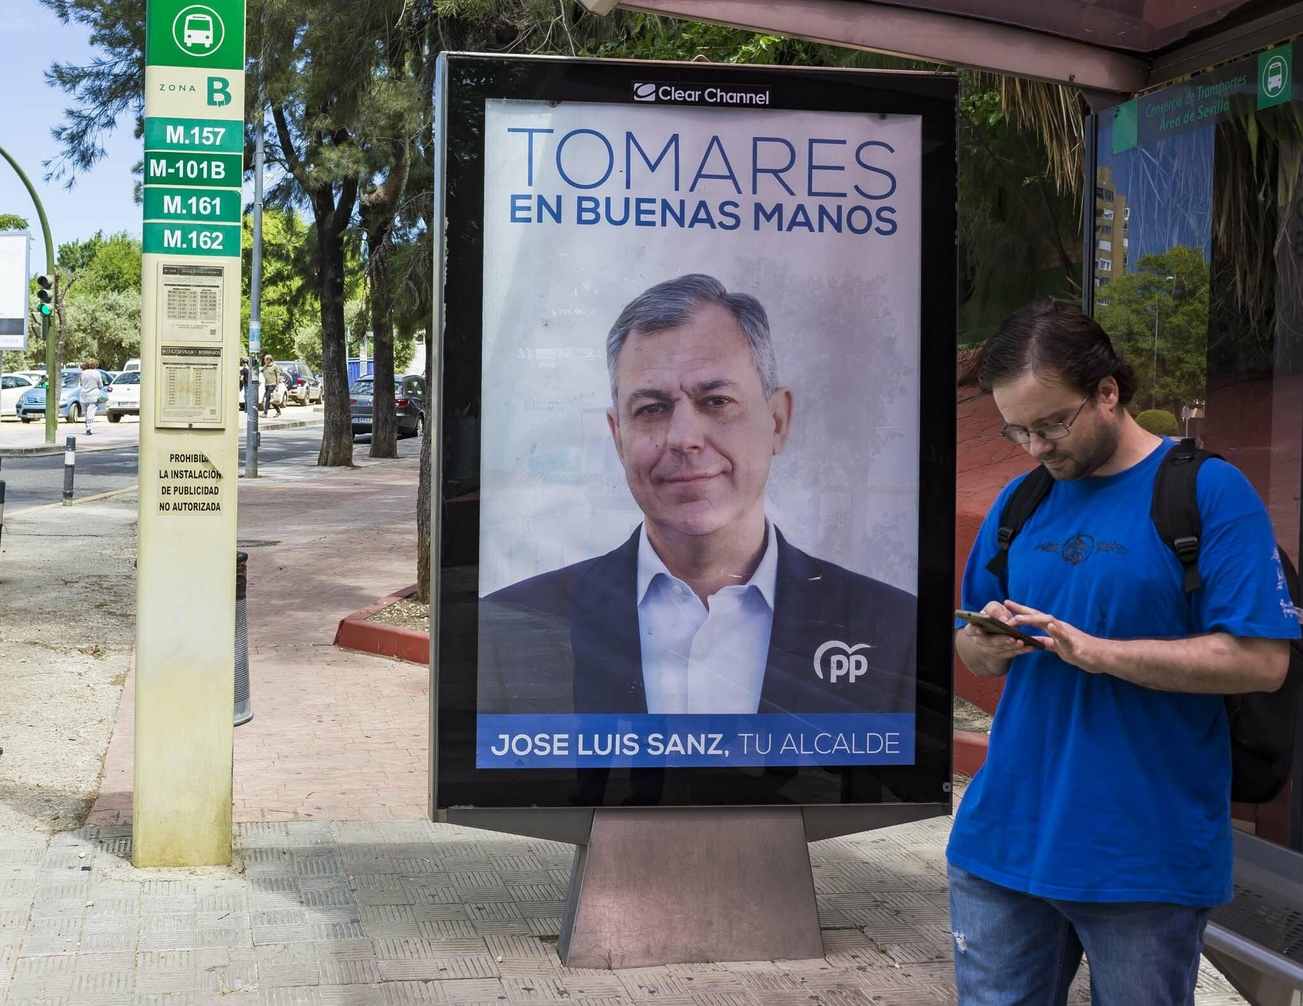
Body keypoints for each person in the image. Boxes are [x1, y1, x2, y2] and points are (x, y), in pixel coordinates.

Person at [949, 302, 1295, 1005]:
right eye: (1017, 429)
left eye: (1051, 423)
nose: (1035, 445)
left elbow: (1262, 661)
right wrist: (985, 641)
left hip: (1143, 858)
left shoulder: (1206, 492)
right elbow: (973, 655)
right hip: (1002, 844)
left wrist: (1101, 652)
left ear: (1108, 391)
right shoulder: (1021, 500)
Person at [478, 273, 916, 716]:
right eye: (652, 409)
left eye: (717, 400)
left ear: (778, 420)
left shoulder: (893, 629)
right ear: (618, 438)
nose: (684, 438)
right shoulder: (509, 627)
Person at [78, 358, 103, 435]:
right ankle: (89, 428)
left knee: (86, 411)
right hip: (94, 395)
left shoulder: (83, 373)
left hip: (84, 395)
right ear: (96, 365)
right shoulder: (97, 373)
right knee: (91, 412)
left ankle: (87, 425)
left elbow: (81, 383)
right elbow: (100, 385)